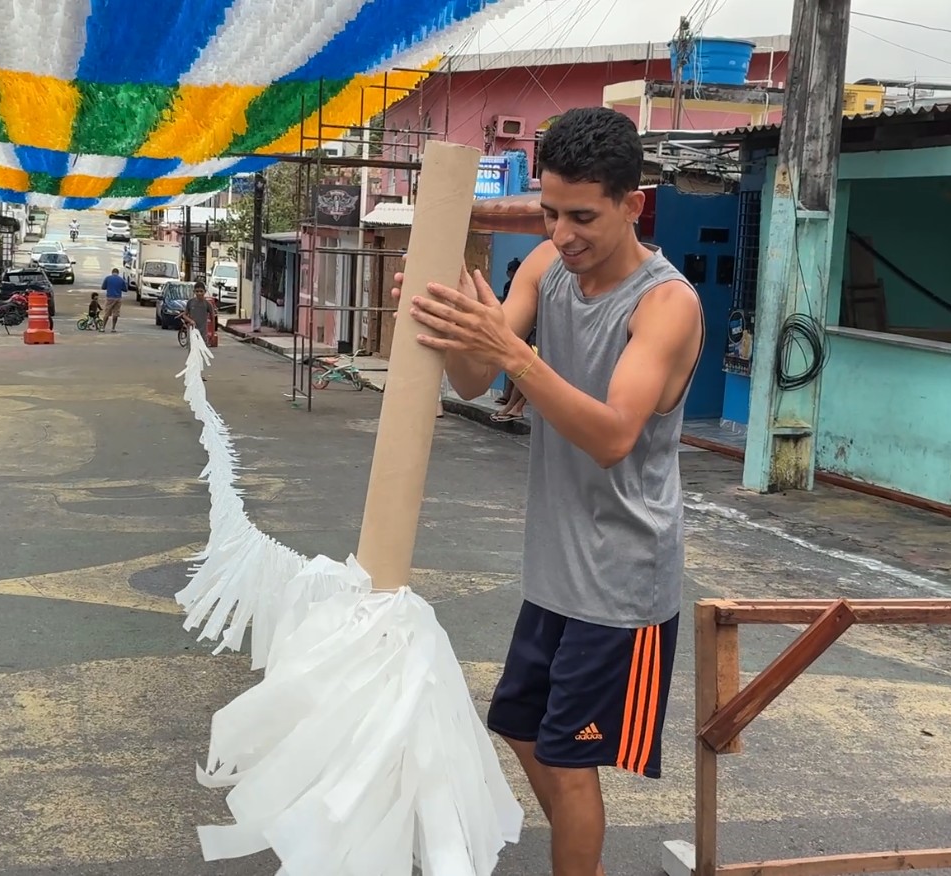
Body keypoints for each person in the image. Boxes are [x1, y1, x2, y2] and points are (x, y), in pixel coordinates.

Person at [393, 106, 704, 876]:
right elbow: (472, 379)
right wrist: (452, 328)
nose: (561, 235)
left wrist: (510, 352)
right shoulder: (543, 269)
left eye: (582, 217)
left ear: (634, 204)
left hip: (622, 581)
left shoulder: (666, 305)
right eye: (549, 212)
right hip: (556, 573)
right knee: (519, 724)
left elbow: (610, 437)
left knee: (569, 764)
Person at [100, 268, 126, 332]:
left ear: (112, 272)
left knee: (107, 313)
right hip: (118, 298)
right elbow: (125, 289)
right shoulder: (121, 279)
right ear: (118, 273)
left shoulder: (108, 278)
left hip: (109, 298)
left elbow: (103, 287)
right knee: (115, 313)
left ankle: (103, 327)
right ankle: (113, 328)